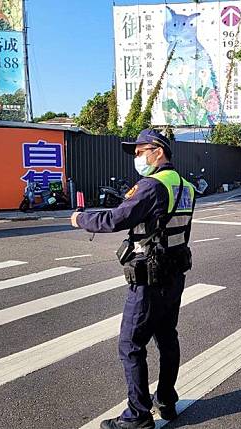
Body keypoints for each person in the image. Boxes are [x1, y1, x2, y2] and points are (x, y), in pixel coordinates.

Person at [71, 129, 196, 429]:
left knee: (130, 344)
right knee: (167, 338)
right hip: (174, 274)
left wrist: (80, 218)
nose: (137, 157)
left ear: (159, 151)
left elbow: (115, 218)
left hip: (149, 278)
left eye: (141, 151)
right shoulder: (185, 186)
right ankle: (166, 399)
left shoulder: (152, 186)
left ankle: (138, 415)